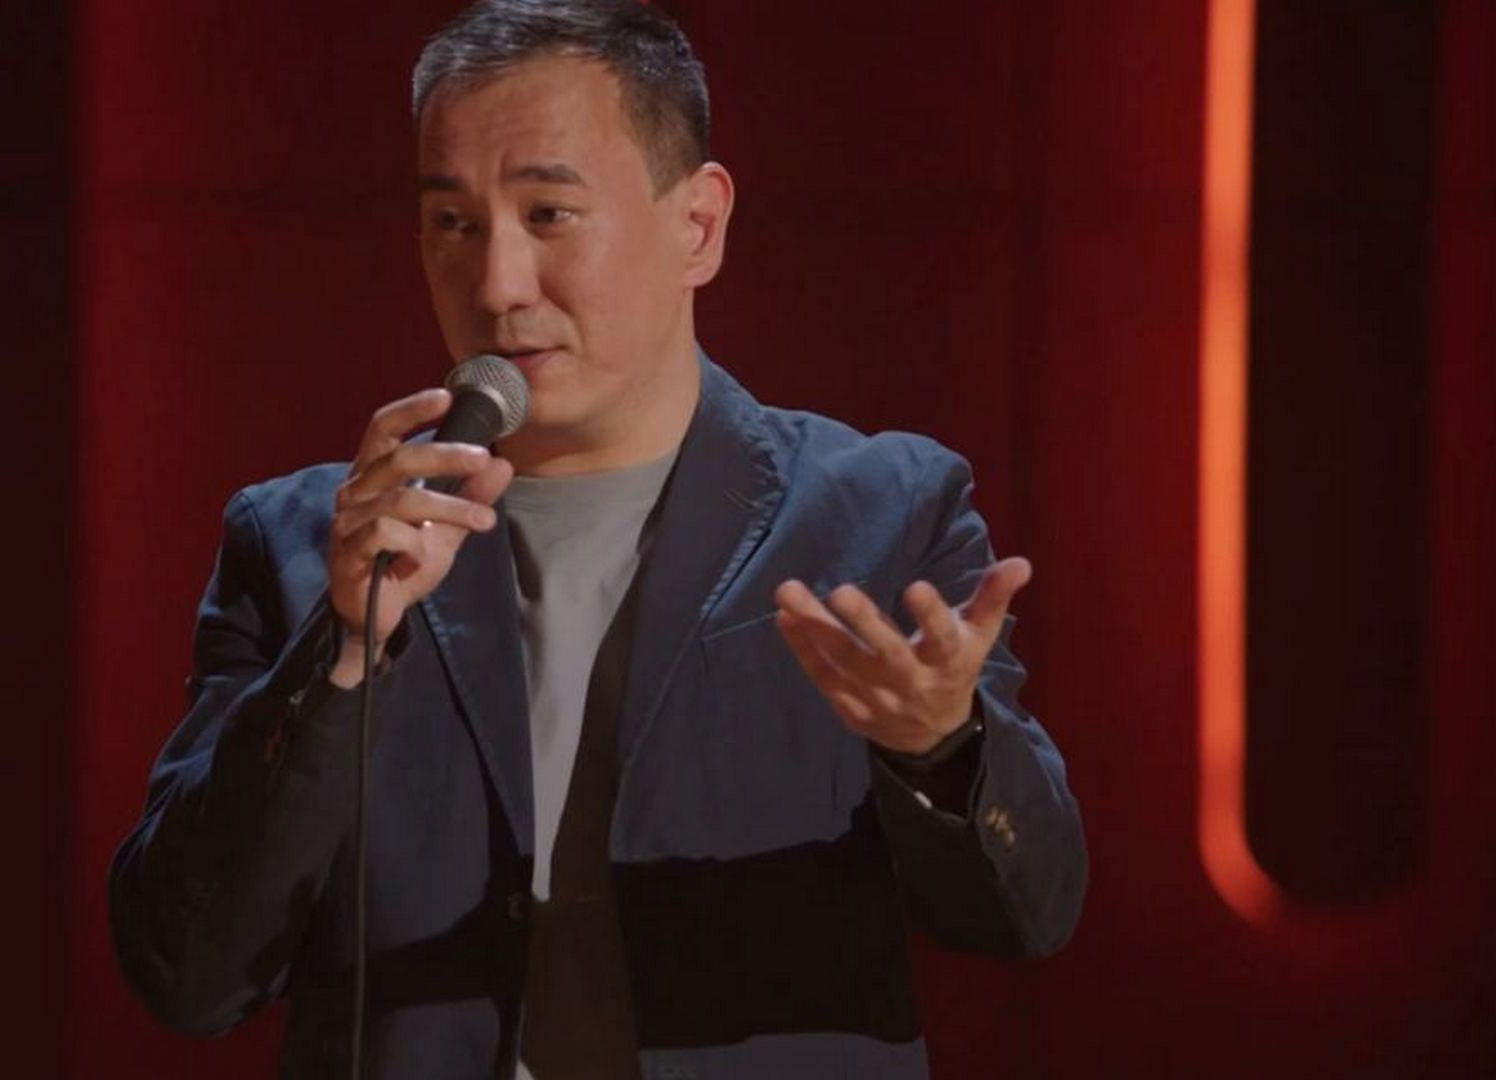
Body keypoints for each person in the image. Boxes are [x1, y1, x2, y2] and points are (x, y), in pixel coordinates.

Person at [108, 2, 1087, 1077]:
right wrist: (342, 654)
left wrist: (942, 748)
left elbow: (1030, 911)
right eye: (453, 223)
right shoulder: (308, 546)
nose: (496, 285)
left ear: (697, 226)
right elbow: (187, 972)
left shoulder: (878, 518)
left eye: (550, 214)